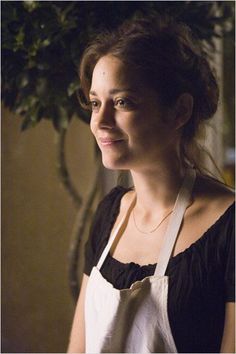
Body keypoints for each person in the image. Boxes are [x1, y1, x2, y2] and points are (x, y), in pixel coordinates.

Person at [67, 15, 235, 353]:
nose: (100, 122)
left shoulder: (229, 227)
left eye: (122, 102)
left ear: (179, 111)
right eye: (96, 103)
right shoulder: (110, 213)